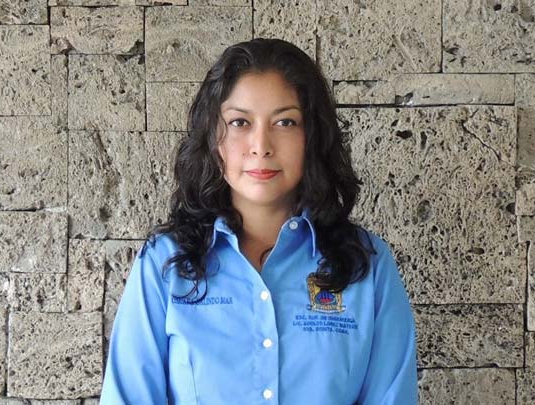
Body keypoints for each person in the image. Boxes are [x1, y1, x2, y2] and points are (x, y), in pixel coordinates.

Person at [99, 38, 418, 404]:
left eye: (285, 122)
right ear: (213, 137)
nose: (261, 145)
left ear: (312, 135)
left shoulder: (368, 266)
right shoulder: (165, 263)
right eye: (240, 122)